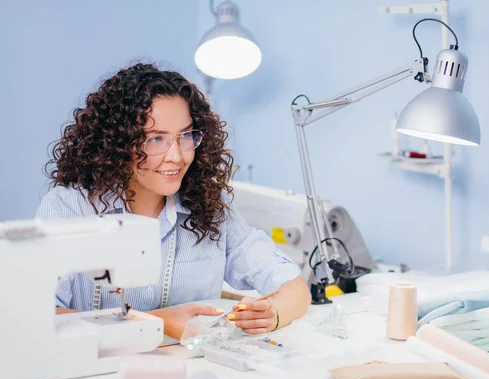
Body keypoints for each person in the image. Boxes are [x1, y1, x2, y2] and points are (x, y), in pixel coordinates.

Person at [37, 62, 311, 339]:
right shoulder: (69, 208)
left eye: (186, 136)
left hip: (189, 372)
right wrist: (157, 322)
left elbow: (294, 287)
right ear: (118, 143)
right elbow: (40, 316)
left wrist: (272, 314)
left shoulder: (208, 207)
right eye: (156, 139)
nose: (177, 156)